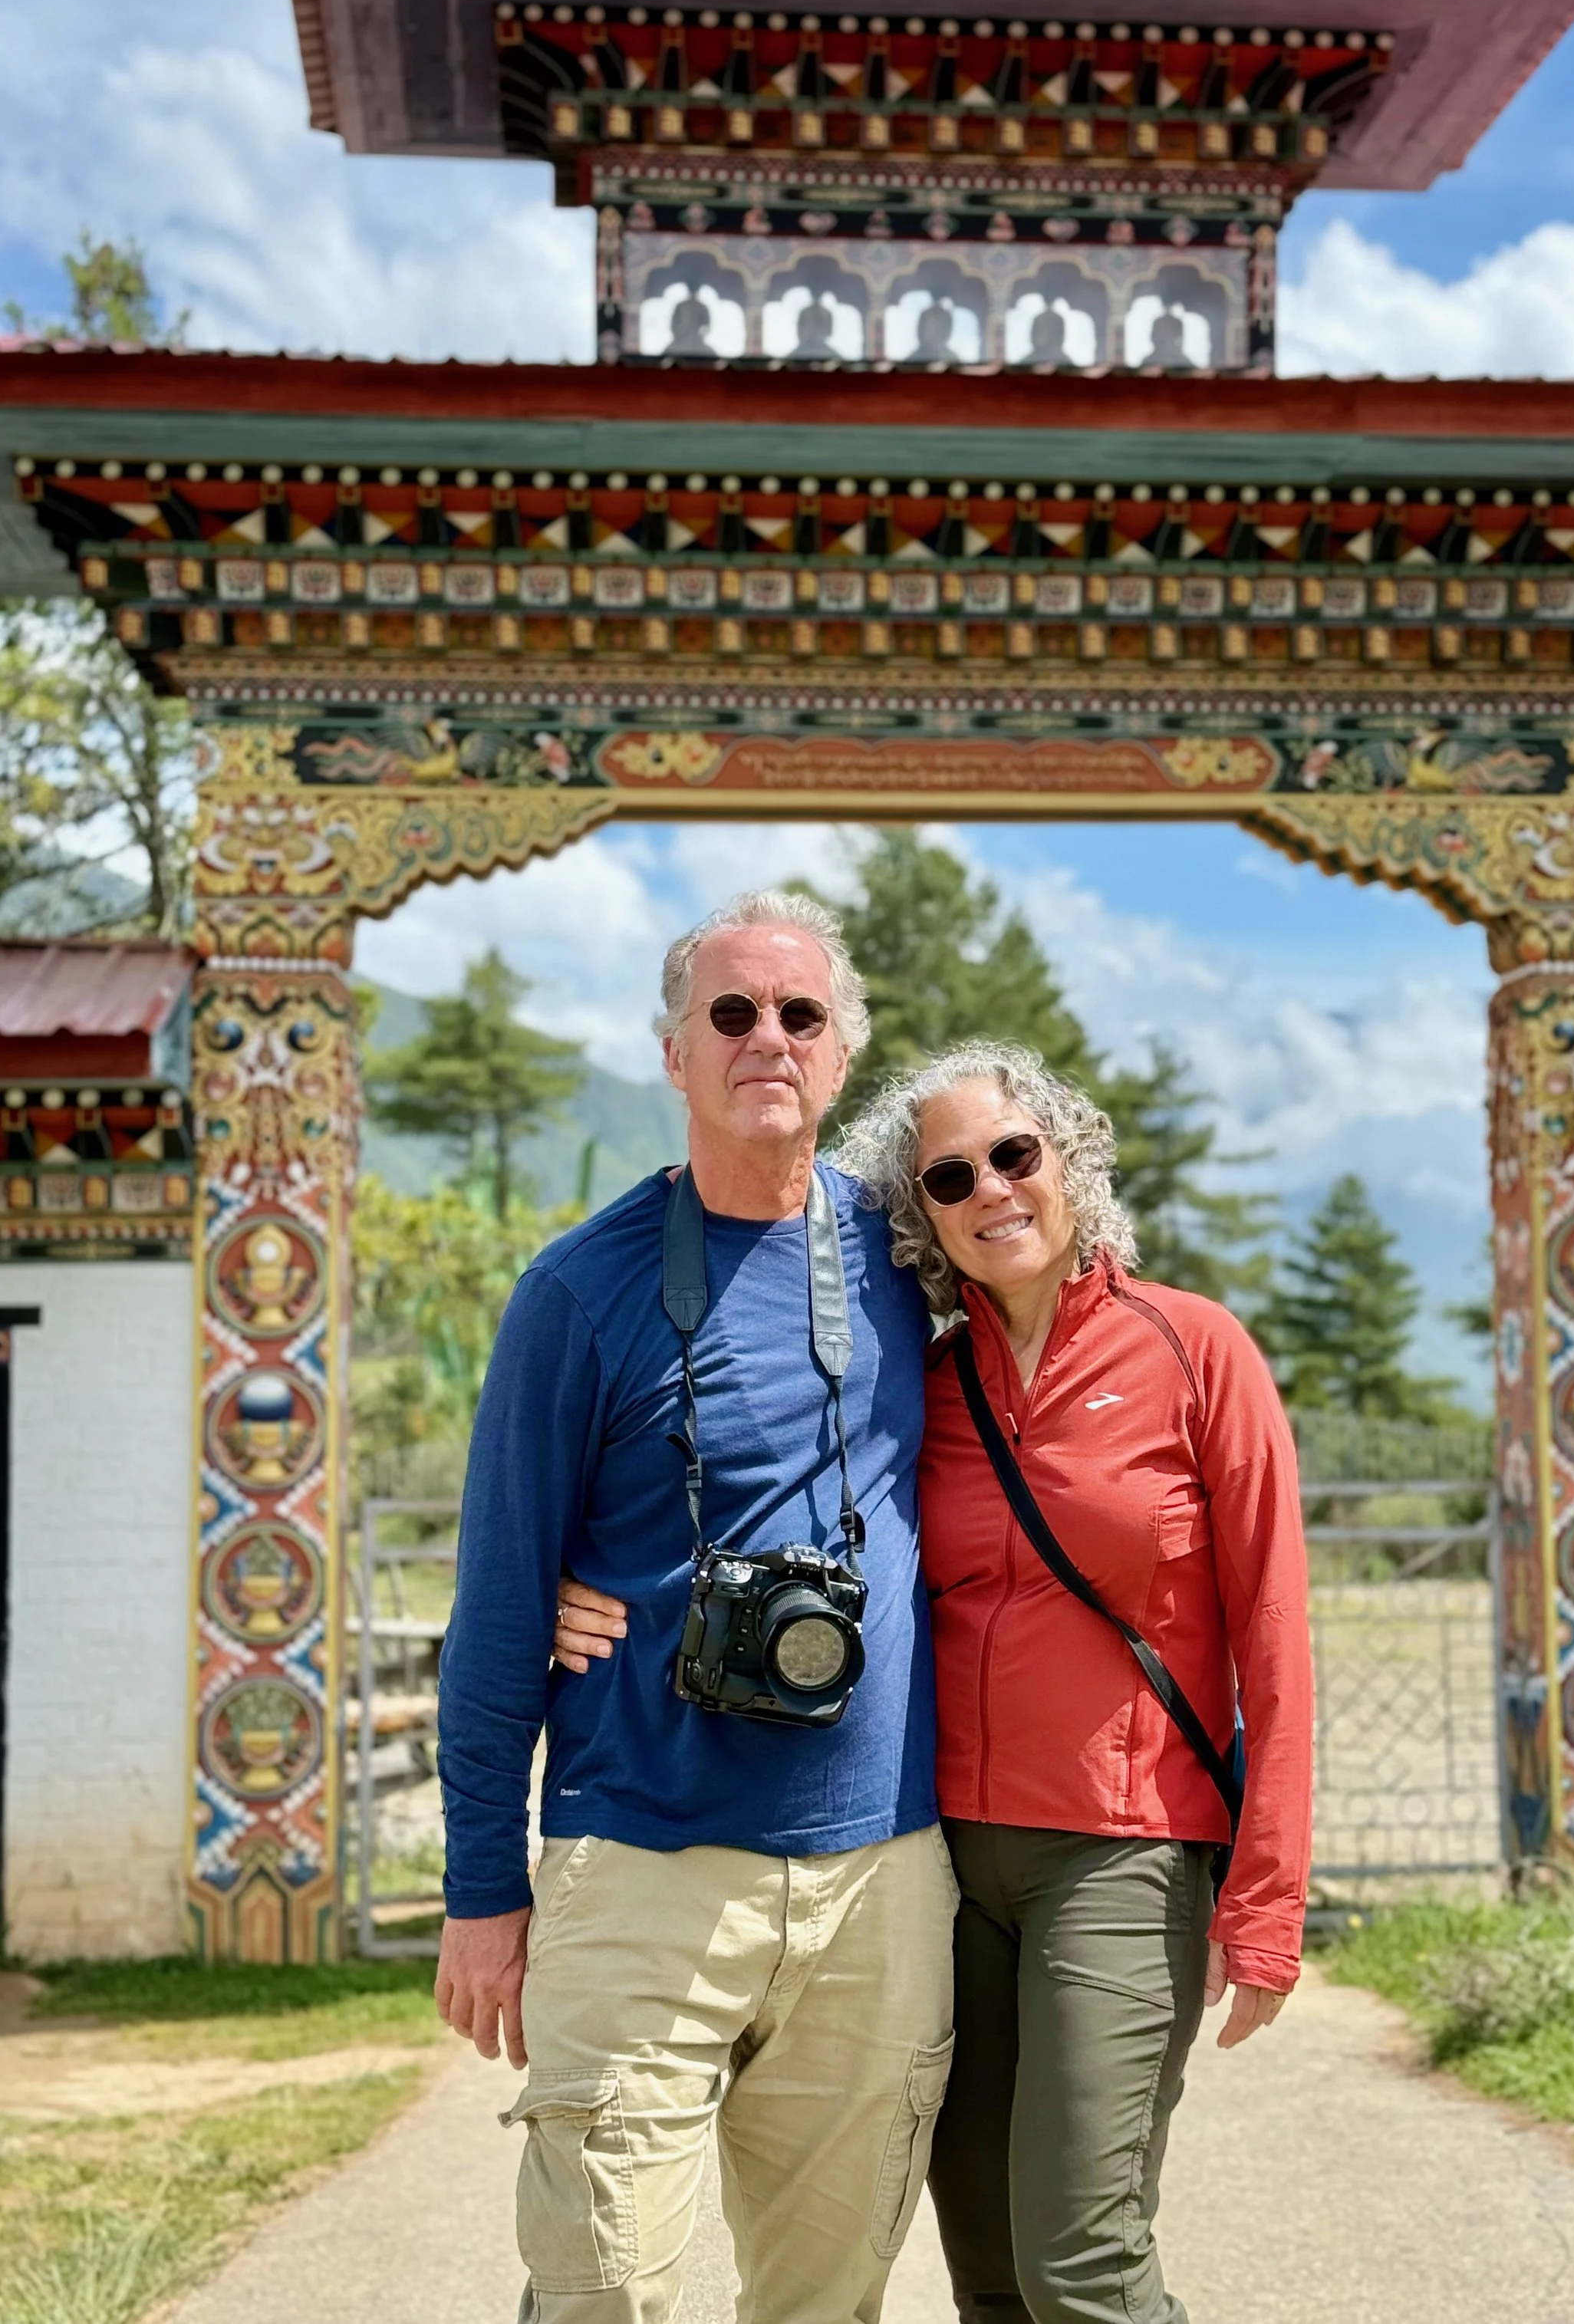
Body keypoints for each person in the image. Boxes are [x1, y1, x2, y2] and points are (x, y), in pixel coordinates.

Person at [560, 1039, 1312, 2324]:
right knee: (988, 2273)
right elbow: (757, 1474)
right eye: (949, 1179)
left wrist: (1268, 1903)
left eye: (1015, 1156)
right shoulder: (925, 1380)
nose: (991, 1192)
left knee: (1083, 2257)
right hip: (951, 1865)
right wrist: (589, 1581)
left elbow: (1277, 1641)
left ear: (1068, 1162)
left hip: (1122, 1857)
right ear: (923, 1218)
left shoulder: (1195, 1351)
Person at [436, 889, 955, 2324]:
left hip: (881, 1874)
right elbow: (491, 1617)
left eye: (800, 1014)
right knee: (602, 2291)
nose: (766, 1038)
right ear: (676, 1055)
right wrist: (484, 1890)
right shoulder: (578, 1293)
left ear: (843, 1052)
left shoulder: (920, 1257)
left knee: (825, 2302)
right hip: (641, 1862)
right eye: (731, 1013)